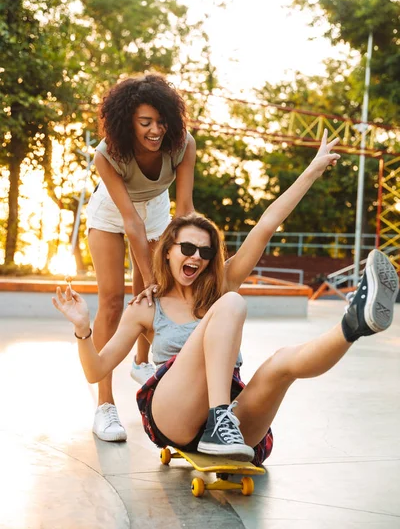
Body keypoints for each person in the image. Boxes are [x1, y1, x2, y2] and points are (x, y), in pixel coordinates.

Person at [54, 131, 399, 463]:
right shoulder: (148, 305)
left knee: (282, 363)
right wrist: (83, 329)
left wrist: (312, 170)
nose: (196, 258)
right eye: (187, 248)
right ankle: (219, 419)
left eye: (205, 252)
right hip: (172, 413)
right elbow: (96, 369)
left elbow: (267, 224)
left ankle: (353, 324)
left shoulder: (221, 282)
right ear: (168, 250)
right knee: (231, 302)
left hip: (233, 414)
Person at [85, 73, 196, 442]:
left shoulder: (182, 146)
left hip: (157, 209)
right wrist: (151, 280)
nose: (155, 130)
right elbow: (130, 222)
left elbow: (184, 210)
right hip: (112, 213)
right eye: (145, 123)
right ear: (126, 122)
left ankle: (140, 362)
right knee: (115, 301)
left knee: (152, 296)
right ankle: (104, 405)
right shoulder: (107, 154)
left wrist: (184, 262)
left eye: (160, 121)